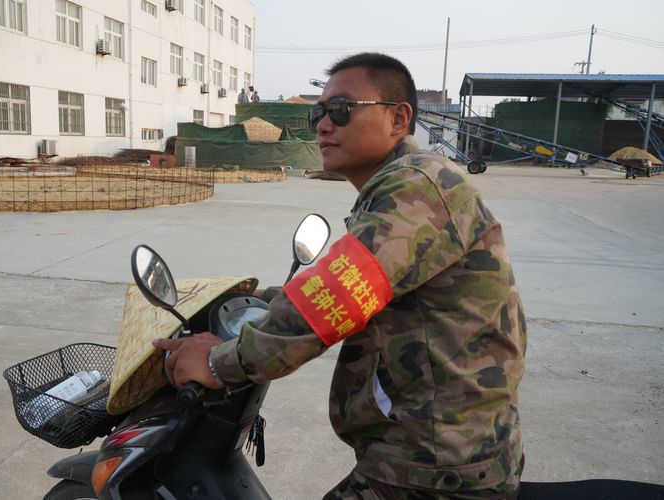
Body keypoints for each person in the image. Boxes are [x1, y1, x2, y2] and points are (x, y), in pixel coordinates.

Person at [153, 52, 527, 499]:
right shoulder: (400, 185)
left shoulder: (417, 186)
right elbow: (346, 284)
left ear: (398, 118)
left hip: (434, 467)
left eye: (341, 110)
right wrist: (248, 303)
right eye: (319, 114)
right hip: (440, 447)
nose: (323, 126)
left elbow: (334, 297)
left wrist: (220, 364)